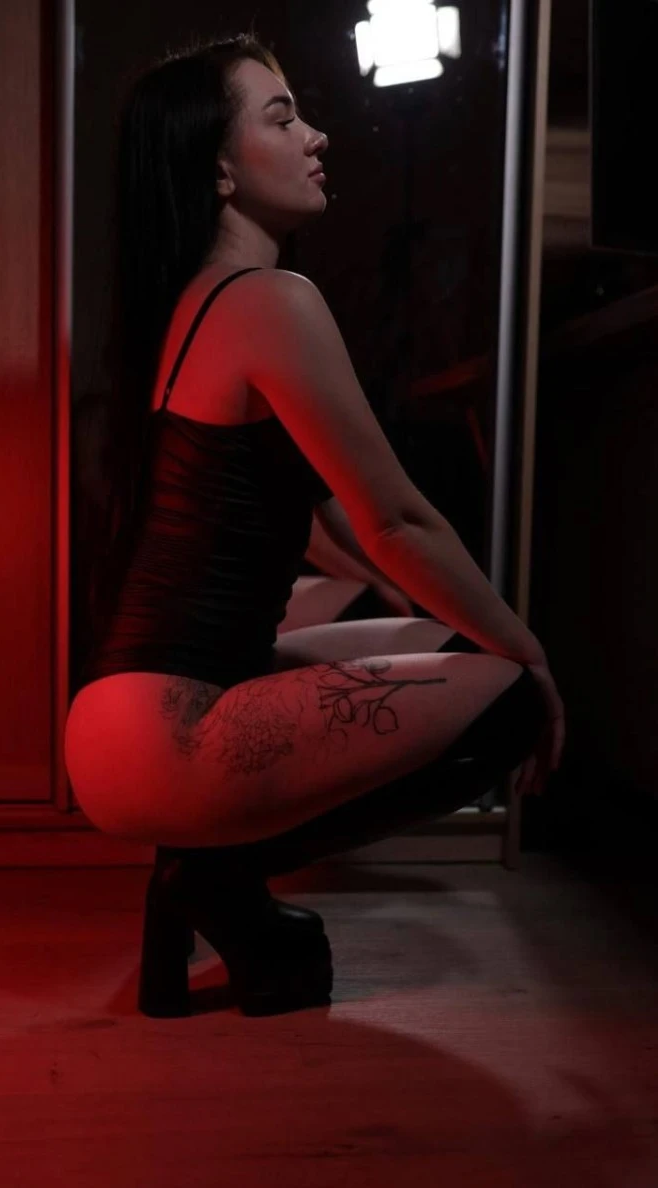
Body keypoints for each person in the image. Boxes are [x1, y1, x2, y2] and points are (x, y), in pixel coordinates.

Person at [63, 33, 566, 1018]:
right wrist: (532, 654)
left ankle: (203, 878)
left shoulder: (194, 307)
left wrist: (442, 618)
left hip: (129, 722)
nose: (318, 136)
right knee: (507, 701)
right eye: (284, 116)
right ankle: (211, 877)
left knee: (454, 646)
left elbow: (331, 524)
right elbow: (398, 520)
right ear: (218, 168)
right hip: (169, 732)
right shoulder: (268, 299)